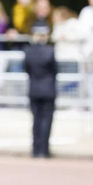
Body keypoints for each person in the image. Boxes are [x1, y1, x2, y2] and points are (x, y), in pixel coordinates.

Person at [24, 23, 58, 158]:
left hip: (34, 89)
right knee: (46, 121)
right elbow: (55, 70)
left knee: (36, 120)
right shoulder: (50, 50)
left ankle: (35, 149)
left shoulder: (28, 50)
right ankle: (44, 150)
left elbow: (26, 69)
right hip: (48, 89)